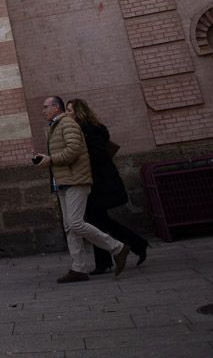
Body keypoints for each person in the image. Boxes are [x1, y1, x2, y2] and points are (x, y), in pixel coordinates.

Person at [32, 95, 129, 283]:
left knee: (75, 223)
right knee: (70, 227)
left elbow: (74, 150)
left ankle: (118, 248)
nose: (43, 110)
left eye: (46, 107)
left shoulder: (67, 124)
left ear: (56, 107)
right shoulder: (54, 126)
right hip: (63, 181)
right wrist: (46, 158)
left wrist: (51, 160)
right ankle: (78, 268)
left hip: (76, 181)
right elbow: (65, 151)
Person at [67, 98, 148, 273]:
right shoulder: (85, 130)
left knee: (96, 222)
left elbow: (98, 156)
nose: (67, 114)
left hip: (100, 182)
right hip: (96, 181)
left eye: (69, 111)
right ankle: (135, 245)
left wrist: (79, 159)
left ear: (79, 113)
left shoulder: (90, 130)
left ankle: (108, 260)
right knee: (99, 221)